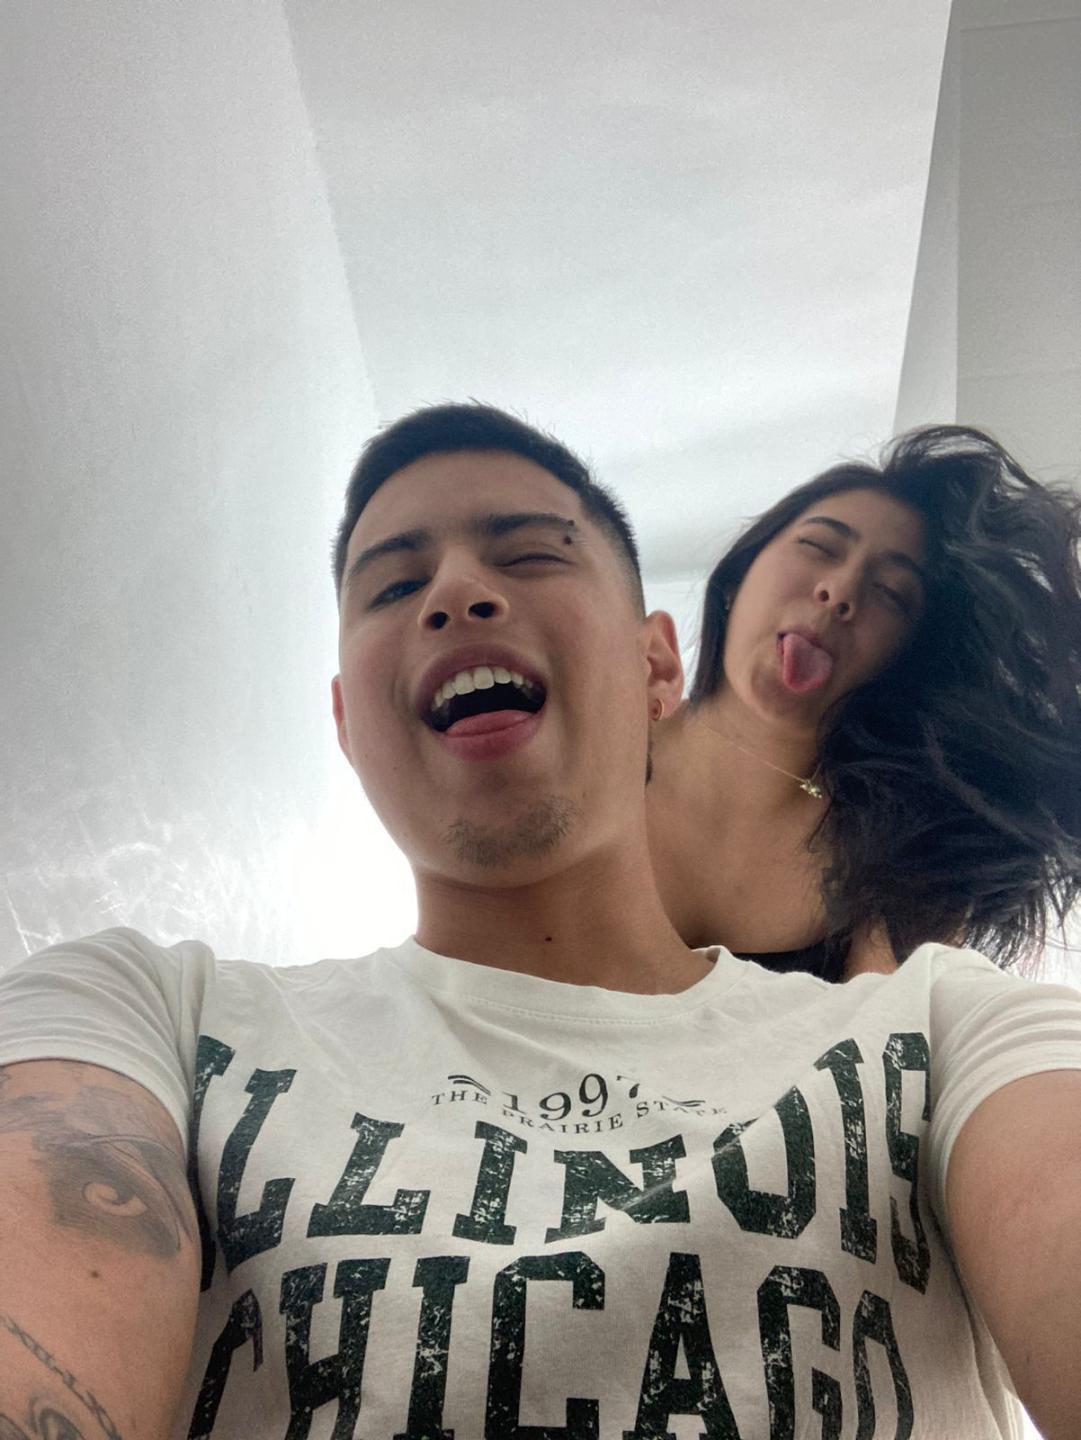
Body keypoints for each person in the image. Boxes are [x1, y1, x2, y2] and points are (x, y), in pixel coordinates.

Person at [1, 402, 1080, 1440]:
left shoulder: (935, 1024)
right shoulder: (152, 1017)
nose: (456, 592)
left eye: (526, 555)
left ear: (654, 661)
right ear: (343, 720)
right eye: (393, 585)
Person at [647, 425, 1081, 984]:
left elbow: (899, 1031)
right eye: (818, 547)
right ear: (738, 575)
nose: (841, 591)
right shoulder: (598, 749)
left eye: (893, 593)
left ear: (905, 658)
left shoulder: (907, 862)